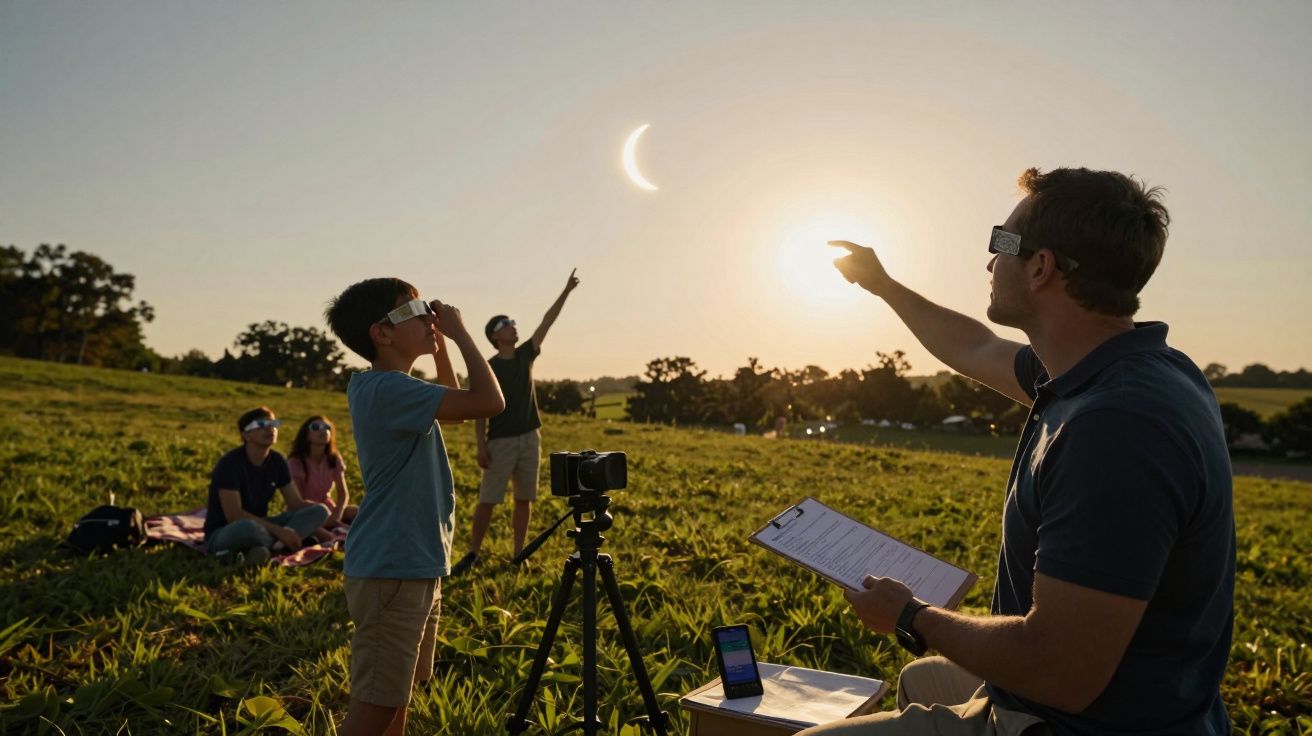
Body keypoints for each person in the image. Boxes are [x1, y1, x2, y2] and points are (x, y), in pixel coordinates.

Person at [800, 167, 1234, 735]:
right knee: (922, 681)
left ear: (1041, 267)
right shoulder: (1121, 368)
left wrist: (908, 615)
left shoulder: (1116, 428)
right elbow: (975, 347)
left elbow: (1061, 672)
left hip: (1079, 721)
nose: (988, 262)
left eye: (1000, 243)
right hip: (1141, 696)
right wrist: (882, 284)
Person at [325, 279, 504, 736]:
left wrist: (441, 345)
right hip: (394, 566)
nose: (429, 317)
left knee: (396, 700)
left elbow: (461, 408)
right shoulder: (387, 389)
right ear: (381, 333)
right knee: (376, 711)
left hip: (412, 563)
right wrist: (462, 333)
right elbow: (489, 402)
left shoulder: (390, 387)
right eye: (416, 311)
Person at [450, 268, 580, 575]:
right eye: (505, 324)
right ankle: (473, 553)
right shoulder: (488, 367)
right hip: (501, 441)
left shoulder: (526, 355)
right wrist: (481, 445)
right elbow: (481, 409)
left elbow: (547, 321)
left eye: (512, 322)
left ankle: (519, 553)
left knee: (525, 498)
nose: (512, 326)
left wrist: (566, 291)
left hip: (530, 438)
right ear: (495, 336)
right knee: (488, 499)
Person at [203, 407, 332, 565]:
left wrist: (323, 516)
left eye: (273, 424)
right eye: (261, 424)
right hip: (227, 530)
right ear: (246, 435)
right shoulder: (230, 464)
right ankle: (281, 545)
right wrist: (281, 532)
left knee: (319, 510)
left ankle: (264, 550)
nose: (270, 428)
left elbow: (295, 503)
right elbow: (234, 515)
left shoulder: (277, 461)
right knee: (247, 527)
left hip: (263, 526)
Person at [287, 415, 358, 542]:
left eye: (327, 428)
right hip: (305, 512)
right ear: (306, 435)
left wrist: (336, 515)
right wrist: (325, 517)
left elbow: (343, 493)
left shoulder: (333, 459)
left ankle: (336, 533)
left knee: (357, 512)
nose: (323, 431)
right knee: (322, 533)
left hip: (329, 508)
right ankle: (328, 536)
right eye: (316, 427)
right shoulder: (296, 462)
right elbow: (296, 501)